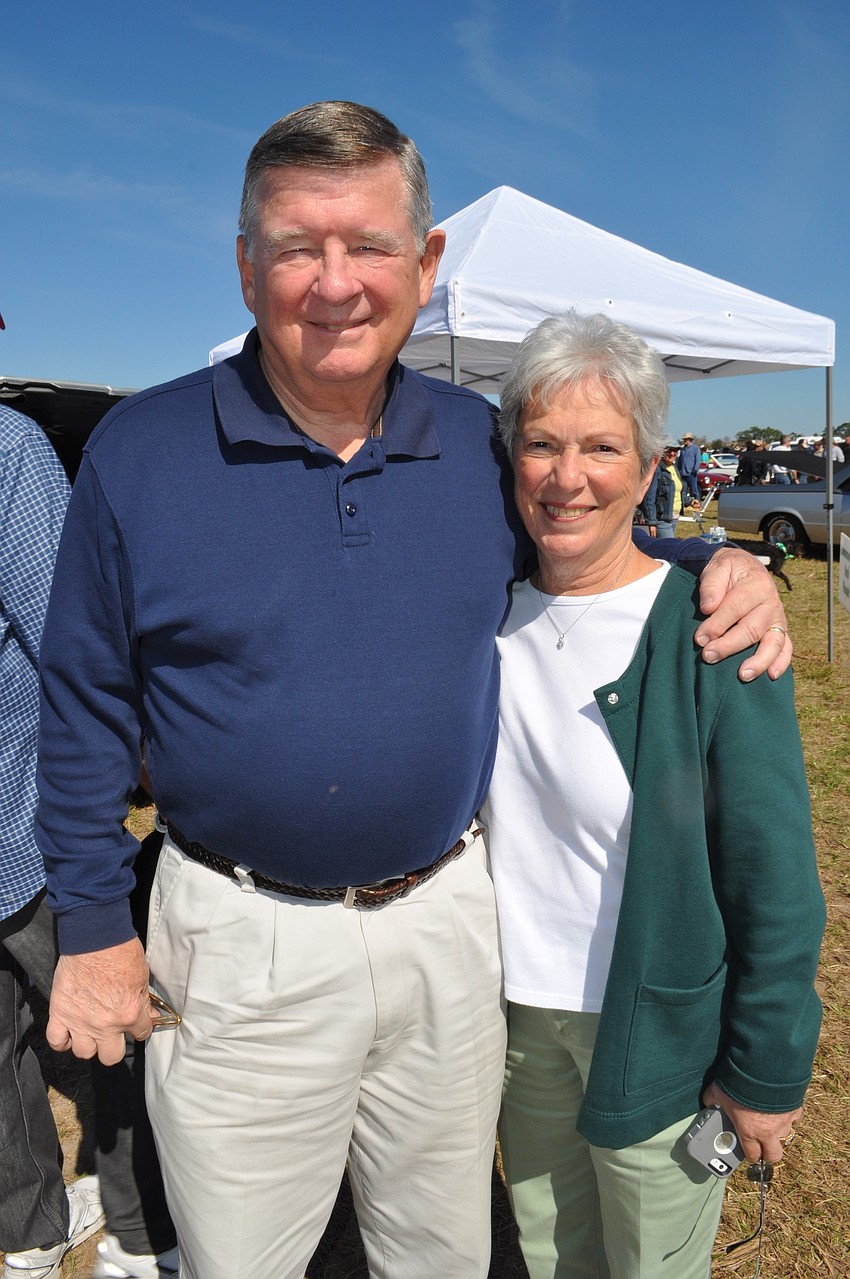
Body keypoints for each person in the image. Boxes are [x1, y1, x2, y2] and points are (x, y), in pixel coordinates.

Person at [35, 101, 792, 1279]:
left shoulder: (478, 443)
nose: (335, 284)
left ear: (425, 264)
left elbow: (578, 526)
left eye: (370, 245)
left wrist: (717, 561)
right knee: (242, 1259)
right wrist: (89, 925)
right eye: (297, 246)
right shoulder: (141, 452)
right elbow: (77, 702)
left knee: (439, 1250)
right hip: (239, 939)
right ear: (246, 268)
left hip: (449, 921)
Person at [483, 312, 825, 1279]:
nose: (568, 475)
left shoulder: (710, 633)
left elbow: (777, 874)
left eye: (602, 446)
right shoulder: (488, 609)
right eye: (542, 443)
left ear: (650, 465)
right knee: (553, 1251)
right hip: (516, 1021)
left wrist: (765, 1068)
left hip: (655, 1028)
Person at [0, 404, 177, 1279]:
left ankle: (31, 1231)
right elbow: (69, 635)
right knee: (127, 1024)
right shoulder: (8, 447)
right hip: (23, 832)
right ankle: (146, 1231)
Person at [636, 441, 681, 538]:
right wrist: (652, 522)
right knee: (669, 548)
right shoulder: (657, 470)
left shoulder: (675, 469)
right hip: (661, 520)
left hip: (674, 517)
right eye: (669, 450)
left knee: (664, 550)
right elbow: (649, 497)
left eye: (675, 450)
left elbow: (678, 491)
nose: (672, 453)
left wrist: (690, 501)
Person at [675, 431, 701, 506]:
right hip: (683, 473)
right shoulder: (682, 450)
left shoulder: (695, 448)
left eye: (686, 439)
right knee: (683, 490)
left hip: (692, 473)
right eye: (684, 439)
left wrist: (695, 469)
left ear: (690, 440)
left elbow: (698, 459)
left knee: (694, 489)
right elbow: (679, 461)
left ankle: (698, 503)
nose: (684, 441)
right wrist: (677, 470)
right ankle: (684, 504)